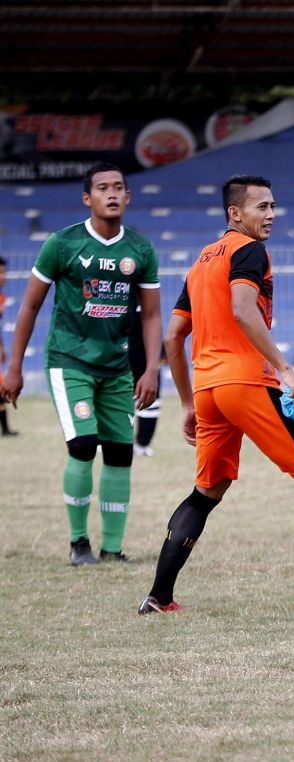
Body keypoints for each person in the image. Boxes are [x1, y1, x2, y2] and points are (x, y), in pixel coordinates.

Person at [139, 175, 294, 616]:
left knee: (207, 490)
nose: (271, 214)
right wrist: (285, 367)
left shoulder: (201, 261)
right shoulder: (248, 249)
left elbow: (174, 336)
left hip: (210, 389)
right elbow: (241, 310)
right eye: (261, 207)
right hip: (248, 382)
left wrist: (187, 403)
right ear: (235, 213)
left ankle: (158, 598)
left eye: (274, 205)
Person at [0, 163, 162, 565]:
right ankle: (78, 544)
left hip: (117, 368)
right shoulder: (63, 243)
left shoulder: (140, 250)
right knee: (85, 444)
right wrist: (14, 368)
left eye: (119, 187)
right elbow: (31, 305)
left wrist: (151, 369)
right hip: (69, 361)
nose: (112, 193)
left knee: (121, 454)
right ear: (87, 198)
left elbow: (153, 315)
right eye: (102, 187)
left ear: (128, 197)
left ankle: (111, 548)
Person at [127, 304, 165, 456]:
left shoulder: (147, 288)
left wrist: (160, 352)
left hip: (146, 352)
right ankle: (105, 440)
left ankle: (143, 443)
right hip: (120, 349)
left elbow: (153, 320)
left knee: (151, 398)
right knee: (113, 396)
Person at [0, 255, 16, 437]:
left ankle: (5, 430)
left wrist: (2, 347)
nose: (3, 276)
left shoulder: (2, 298)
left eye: (4, 272)